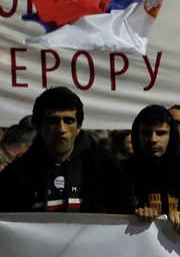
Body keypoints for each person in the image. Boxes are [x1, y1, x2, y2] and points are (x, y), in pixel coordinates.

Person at [0, 86, 133, 214]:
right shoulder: (15, 175)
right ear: (38, 126)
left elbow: (125, 219)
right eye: (53, 121)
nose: (61, 129)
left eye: (69, 121)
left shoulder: (105, 167)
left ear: (79, 126)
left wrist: (143, 217)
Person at [123, 105, 180, 235]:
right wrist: (134, 215)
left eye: (161, 133)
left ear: (171, 135)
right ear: (136, 134)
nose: (153, 139)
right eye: (146, 132)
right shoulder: (121, 172)